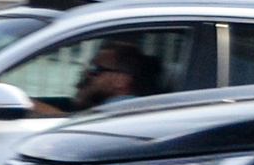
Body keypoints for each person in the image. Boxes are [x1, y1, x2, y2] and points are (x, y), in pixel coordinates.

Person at [32, 39, 161, 117]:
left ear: (121, 81)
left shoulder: (126, 110)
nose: (85, 74)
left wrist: (28, 104)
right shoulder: (113, 107)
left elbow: (75, 129)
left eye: (95, 69)